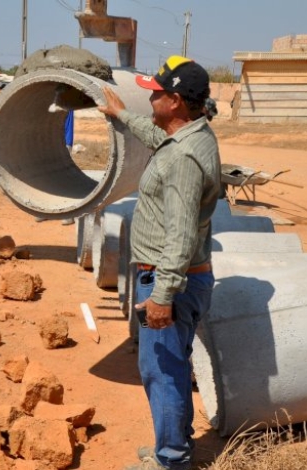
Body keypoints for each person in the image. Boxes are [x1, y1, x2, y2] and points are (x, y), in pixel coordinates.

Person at [97, 56, 220, 470]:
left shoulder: (184, 158)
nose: (151, 95)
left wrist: (162, 296)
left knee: (162, 373)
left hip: (171, 282)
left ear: (178, 102)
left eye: (158, 92)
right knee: (172, 367)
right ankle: (175, 446)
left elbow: (181, 235)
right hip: (182, 279)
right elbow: (156, 136)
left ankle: (170, 461)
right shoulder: (191, 135)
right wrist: (121, 114)